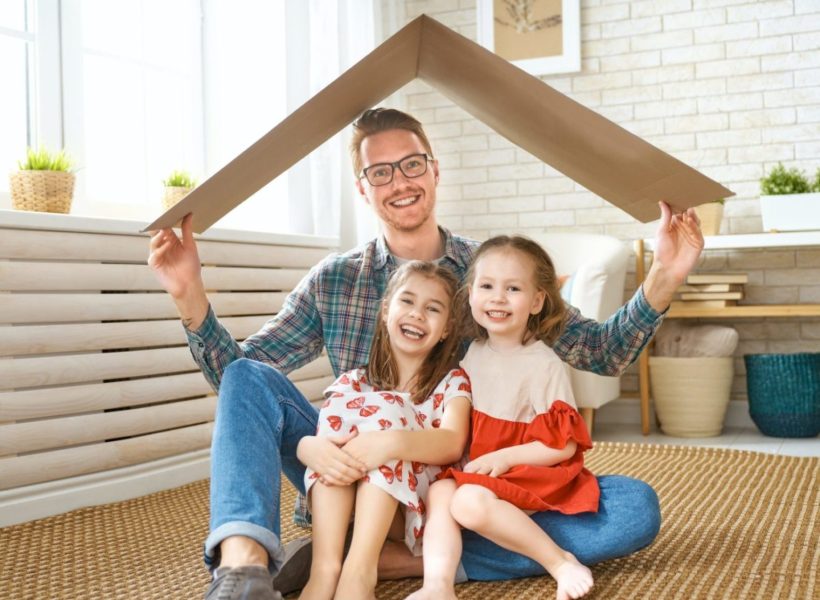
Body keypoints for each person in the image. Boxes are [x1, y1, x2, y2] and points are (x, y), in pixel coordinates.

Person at [147, 107, 704, 600]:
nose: (400, 182)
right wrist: (189, 295)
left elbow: (602, 352)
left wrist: (664, 274)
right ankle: (244, 571)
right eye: (379, 172)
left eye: (412, 164)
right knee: (249, 373)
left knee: (634, 508)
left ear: (435, 170)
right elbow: (240, 385)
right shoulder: (335, 281)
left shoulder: (490, 275)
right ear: (363, 190)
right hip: (348, 471)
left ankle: (357, 559)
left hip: (458, 489)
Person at [409, 235, 599, 600]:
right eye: (487, 286)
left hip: (526, 471)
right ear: (470, 294)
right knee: (439, 491)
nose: (497, 297)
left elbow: (564, 445)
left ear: (537, 300)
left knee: (464, 501)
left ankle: (560, 561)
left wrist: (505, 457)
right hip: (478, 471)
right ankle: (438, 586)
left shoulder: (544, 364)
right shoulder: (473, 354)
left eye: (512, 288)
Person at [301, 260, 472, 599]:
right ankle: (325, 569)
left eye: (432, 308)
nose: (417, 314)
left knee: (387, 413)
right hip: (361, 506)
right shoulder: (353, 381)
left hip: (422, 514)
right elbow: (329, 440)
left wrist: (389, 442)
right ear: (385, 311)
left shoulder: (452, 382)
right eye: (407, 301)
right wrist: (307, 447)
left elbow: (453, 442)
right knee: (350, 414)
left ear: (448, 328)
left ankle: (359, 572)